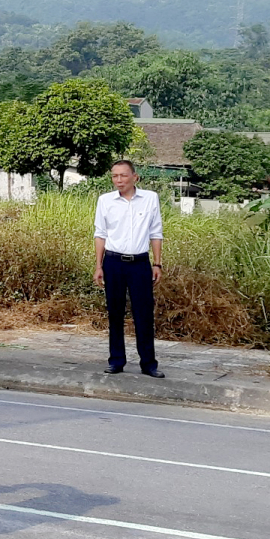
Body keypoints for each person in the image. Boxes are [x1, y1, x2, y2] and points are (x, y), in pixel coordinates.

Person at [93, 159, 164, 378]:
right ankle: (116, 360)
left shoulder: (150, 199)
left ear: (135, 177)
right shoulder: (105, 201)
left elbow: (156, 232)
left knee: (143, 314)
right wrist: (98, 265)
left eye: (123, 175)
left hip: (140, 263)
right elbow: (100, 233)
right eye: (114, 176)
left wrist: (157, 262)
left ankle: (148, 363)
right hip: (113, 262)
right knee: (115, 312)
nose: (119, 180)